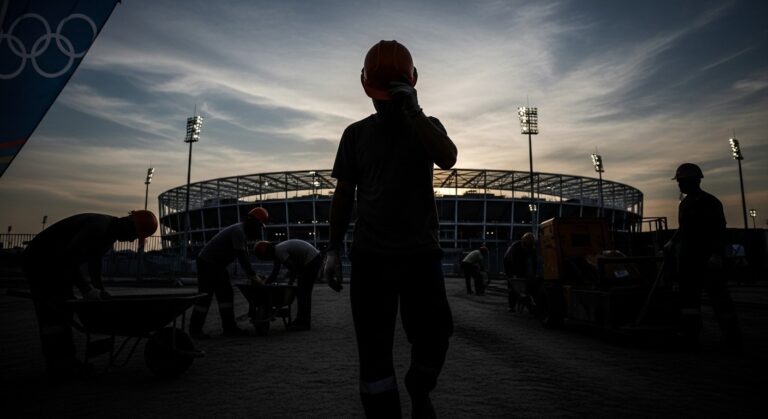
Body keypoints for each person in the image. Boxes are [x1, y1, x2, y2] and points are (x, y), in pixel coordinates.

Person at [324, 40, 457, 418]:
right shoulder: (355, 135)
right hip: (372, 258)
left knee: (435, 338)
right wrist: (332, 249)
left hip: (420, 255)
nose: (384, 101)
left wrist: (414, 112)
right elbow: (344, 194)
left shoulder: (427, 126)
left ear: (412, 86)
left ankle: (419, 388)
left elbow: (447, 158)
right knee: (374, 352)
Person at [22, 210, 158, 379]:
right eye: (134, 235)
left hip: (53, 262)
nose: (132, 240)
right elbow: (68, 260)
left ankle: (66, 362)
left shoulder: (109, 233)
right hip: (41, 261)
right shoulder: (98, 228)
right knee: (54, 312)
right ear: (129, 226)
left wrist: (99, 290)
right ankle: (60, 366)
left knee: (64, 307)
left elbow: (94, 264)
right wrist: (87, 290)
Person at [664, 163, 742, 351]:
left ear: (694, 181)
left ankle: (732, 338)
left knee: (719, 298)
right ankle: (690, 336)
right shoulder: (685, 204)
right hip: (689, 259)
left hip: (707, 259)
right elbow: (684, 228)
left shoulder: (710, 202)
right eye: (679, 182)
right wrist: (672, 242)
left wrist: (716, 254)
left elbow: (719, 230)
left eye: (682, 181)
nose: (679, 185)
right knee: (688, 300)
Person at [189, 207, 268, 339]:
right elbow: (242, 257)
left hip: (215, 264)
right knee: (205, 296)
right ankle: (196, 330)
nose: (259, 229)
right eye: (259, 226)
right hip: (208, 263)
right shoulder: (239, 232)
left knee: (225, 294)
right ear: (252, 222)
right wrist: (253, 277)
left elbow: (245, 257)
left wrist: (253, 275)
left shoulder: (242, 232)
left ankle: (229, 327)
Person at [253, 239, 323, 331]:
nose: (267, 259)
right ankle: (300, 320)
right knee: (302, 292)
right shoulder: (277, 251)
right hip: (311, 259)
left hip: (312, 260)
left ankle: (304, 323)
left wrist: (290, 283)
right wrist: (265, 284)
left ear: (267, 253)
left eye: (265, 257)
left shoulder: (279, 251)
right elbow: (275, 273)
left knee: (303, 293)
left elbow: (293, 269)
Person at [503, 232, 538, 312]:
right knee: (512, 286)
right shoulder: (515, 247)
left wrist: (534, 273)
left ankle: (528, 302)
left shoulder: (531, 246)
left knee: (525, 282)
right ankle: (511, 306)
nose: (528, 248)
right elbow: (514, 262)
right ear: (523, 242)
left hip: (522, 262)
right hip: (509, 263)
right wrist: (513, 275)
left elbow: (534, 261)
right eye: (526, 247)